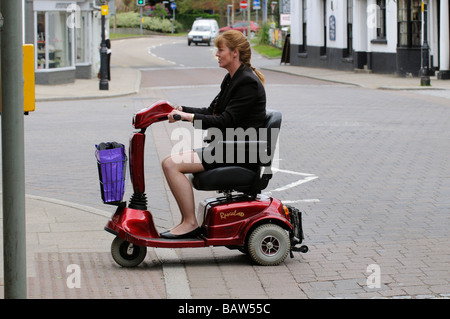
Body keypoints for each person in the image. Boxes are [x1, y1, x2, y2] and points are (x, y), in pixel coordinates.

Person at [160, 30, 266, 239]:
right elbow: (212, 111)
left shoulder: (247, 82)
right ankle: (187, 221)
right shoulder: (233, 78)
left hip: (240, 151)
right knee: (170, 163)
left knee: (171, 164)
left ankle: (189, 223)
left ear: (235, 53)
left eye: (220, 50)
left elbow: (225, 121)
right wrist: (181, 109)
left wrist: (186, 117)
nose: (216, 54)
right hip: (228, 148)